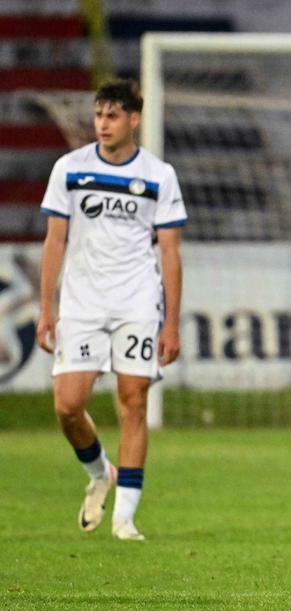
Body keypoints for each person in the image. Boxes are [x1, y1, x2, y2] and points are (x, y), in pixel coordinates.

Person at [36, 79, 187, 541]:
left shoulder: (159, 175)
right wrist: (47, 307)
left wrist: (171, 323)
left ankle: (125, 518)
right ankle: (101, 471)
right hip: (82, 303)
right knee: (68, 406)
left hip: (137, 301)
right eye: (99, 114)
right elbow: (55, 240)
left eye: (112, 115)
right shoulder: (69, 169)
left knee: (133, 401)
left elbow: (170, 252)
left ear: (133, 119)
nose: (103, 123)